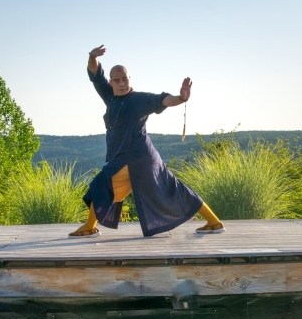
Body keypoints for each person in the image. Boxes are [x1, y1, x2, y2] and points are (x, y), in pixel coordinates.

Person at [68, 44, 225, 238]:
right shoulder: (109, 96)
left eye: (125, 79)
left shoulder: (139, 99)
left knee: (103, 183)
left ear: (129, 78)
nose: (122, 83)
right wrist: (92, 56)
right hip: (134, 158)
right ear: (112, 82)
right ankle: (214, 221)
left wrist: (181, 98)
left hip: (136, 159)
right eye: (117, 80)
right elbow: (95, 75)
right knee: (171, 188)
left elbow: (162, 100)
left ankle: (89, 226)